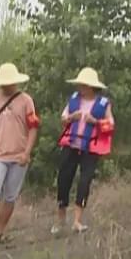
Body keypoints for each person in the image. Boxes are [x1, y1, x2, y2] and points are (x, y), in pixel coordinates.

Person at [0, 63, 40, 251]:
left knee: (10, 196)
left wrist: (27, 152)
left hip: (19, 155)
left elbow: (33, 127)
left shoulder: (26, 100)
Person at [52, 67, 114, 234]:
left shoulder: (103, 104)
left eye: (84, 85)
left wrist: (95, 121)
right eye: (80, 85)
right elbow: (63, 120)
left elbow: (111, 125)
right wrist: (73, 117)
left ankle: (77, 221)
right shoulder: (73, 100)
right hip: (70, 146)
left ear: (92, 86)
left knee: (84, 181)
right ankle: (60, 219)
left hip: (90, 148)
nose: (81, 88)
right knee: (63, 180)